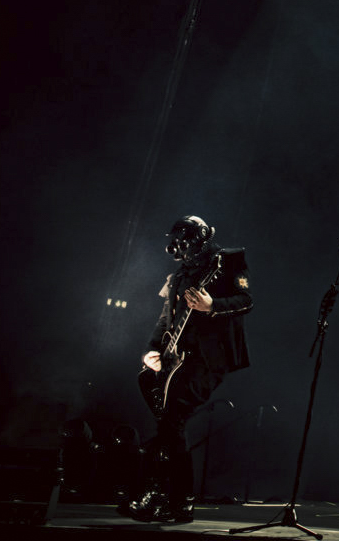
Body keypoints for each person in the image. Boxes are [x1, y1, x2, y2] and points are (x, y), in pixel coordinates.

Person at [127, 215, 251, 524]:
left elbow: (246, 300)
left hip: (207, 360)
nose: (179, 246)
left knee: (171, 422)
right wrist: (152, 350)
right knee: (168, 426)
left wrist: (212, 306)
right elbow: (164, 318)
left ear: (201, 237)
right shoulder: (179, 275)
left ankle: (177, 500)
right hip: (176, 358)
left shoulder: (227, 261)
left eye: (184, 240)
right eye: (176, 241)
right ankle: (164, 497)